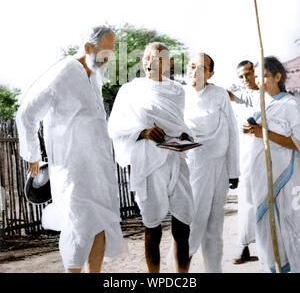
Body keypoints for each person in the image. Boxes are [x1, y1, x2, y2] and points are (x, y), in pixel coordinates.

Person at [16, 25, 124, 273]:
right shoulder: (64, 72)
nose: (108, 58)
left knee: (100, 225)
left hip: (98, 169)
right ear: (88, 48)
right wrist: (32, 156)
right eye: (105, 52)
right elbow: (27, 114)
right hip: (73, 169)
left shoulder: (93, 76)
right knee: (77, 227)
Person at [108, 42, 194, 273]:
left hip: (176, 159)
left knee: (183, 225)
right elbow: (115, 128)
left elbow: (179, 124)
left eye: (156, 59)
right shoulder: (130, 90)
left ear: (169, 63)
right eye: (146, 58)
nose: (149, 62)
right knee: (152, 225)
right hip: (148, 161)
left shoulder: (177, 91)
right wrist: (143, 132)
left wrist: (185, 135)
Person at [243, 56, 300, 273]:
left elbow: (297, 142)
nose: (259, 81)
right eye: (257, 77)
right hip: (264, 178)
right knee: (269, 230)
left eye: (265, 76)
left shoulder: (290, 105)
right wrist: (254, 131)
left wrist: (263, 133)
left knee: (290, 229)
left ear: (278, 76)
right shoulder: (264, 106)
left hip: (287, 179)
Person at [184, 53, 240, 273]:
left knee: (214, 228)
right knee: (192, 225)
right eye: (191, 66)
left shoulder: (219, 95)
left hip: (219, 168)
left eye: (201, 68)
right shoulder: (180, 94)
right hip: (193, 167)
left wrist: (233, 170)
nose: (195, 72)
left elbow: (232, 132)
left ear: (210, 73)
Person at [228, 61, 260, 264]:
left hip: (269, 152)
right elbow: (226, 95)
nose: (245, 79)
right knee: (246, 201)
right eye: (241, 76)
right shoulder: (241, 96)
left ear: (255, 73)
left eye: (248, 74)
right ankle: (243, 247)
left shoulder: (268, 95)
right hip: (247, 155)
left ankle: (275, 248)